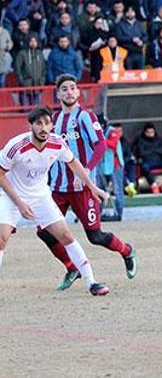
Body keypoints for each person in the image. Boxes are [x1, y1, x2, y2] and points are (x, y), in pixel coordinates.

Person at [36, 75, 137, 291]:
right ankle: (71, 267)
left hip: (83, 188)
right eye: (64, 89)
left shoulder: (86, 116)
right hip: (58, 189)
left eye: (73, 88)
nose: (69, 92)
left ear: (78, 92)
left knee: (95, 236)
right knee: (44, 231)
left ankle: (127, 251)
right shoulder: (54, 120)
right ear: (58, 94)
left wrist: (88, 169)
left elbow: (100, 145)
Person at [0, 107, 110, 296]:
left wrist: (93, 187)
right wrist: (19, 203)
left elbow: (74, 163)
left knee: (66, 236)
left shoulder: (57, 143)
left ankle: (91, 282)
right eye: (38, 123)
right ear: (31, 126)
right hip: (12, 196)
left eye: (47, 123)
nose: (43, 128)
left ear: (52, 125)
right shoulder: (16, 145)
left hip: (41, 196)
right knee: (1, 238)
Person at [97, 117, 126, 222]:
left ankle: (119, 213)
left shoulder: (112, 131)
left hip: (115, 165)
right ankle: (97, 214)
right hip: (100, 164)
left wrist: (100, 139)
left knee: (118, 190)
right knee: (99, 189)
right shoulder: (95, 131)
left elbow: (112, 144)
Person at [134, 123, 162, 194]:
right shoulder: (141, 140)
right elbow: (142, 152)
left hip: (160, 161)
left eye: (152, 132)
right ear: (145, 132)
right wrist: (156, 150)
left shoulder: (158, 139)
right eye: (148, 132)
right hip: (148, 161)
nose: (150, 134)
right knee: (144, 167)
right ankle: (153, 185)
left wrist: (151, 150)